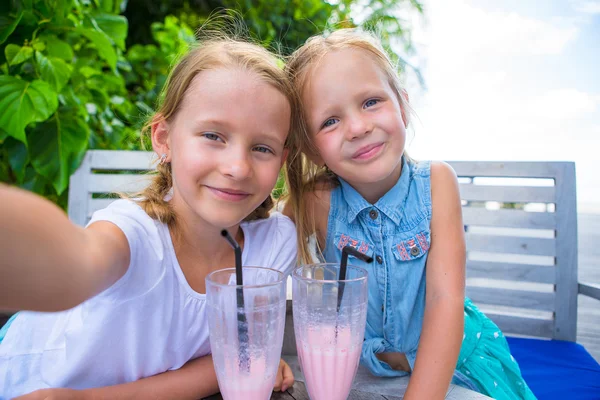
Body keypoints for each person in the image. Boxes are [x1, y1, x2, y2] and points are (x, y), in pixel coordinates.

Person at [0, 34, 299, 399]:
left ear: (281, 163)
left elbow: (230, 361)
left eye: (262, 147)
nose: (238, 167)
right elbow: (76, 262)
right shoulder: (134, 234)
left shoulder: (272, 246)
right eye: (213, 135)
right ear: (164, 139)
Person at [283, 28, 536, 400]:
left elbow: (444, 302)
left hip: (449, 369)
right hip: (359, 373)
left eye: (370, 102)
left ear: (401, 105)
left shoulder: (436, 183)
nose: (358, 127)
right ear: (312, 148)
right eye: (330, 121)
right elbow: (253, 259)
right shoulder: (315, 202)